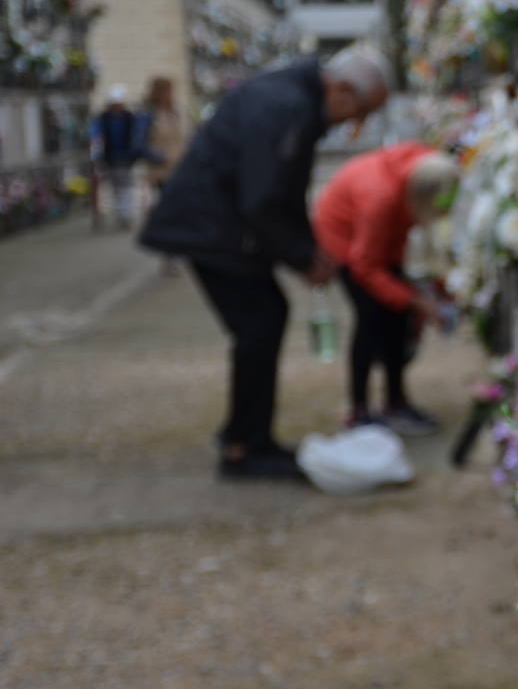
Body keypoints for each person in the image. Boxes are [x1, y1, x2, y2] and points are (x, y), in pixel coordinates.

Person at [139, 45, 391, 480]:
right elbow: (261, 199)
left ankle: (246, 435)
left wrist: (310, 248)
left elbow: (286, 191)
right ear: (343, 90)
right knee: (260, 320)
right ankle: (244, 448)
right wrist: (301, 257)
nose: (355, 125)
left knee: (264, 317)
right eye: (361, 111)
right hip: (209, 227)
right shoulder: (287, 104)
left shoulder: (298, 100)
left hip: (218, 225)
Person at [313, 143, 459, 436]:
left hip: (376, 243)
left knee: (397, 315)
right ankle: (359, 410)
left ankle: (395, 402)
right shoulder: (379, 198)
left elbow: (394, 242)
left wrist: (418, 295)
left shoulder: (420, 167)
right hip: (346, 245)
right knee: (370, 320)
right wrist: (415, 300)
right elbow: (365, 266)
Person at [140, 77, 187, 275]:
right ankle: (169, 255)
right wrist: (159, 157)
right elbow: (139, 145)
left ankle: (173, 252)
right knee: (170, 212)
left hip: (178, 170)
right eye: (169, 91)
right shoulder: (148, 115)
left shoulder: (173, 112)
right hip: (161, 172)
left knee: (177, 212)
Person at [90, 84, 143, 230]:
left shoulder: (130, 118)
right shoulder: (103, 118)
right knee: (115, 188)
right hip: (110, 158)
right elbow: (96, 134)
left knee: (126, 188)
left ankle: (126, 216)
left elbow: (137, 135)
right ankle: (121, 214)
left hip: (126, 158)